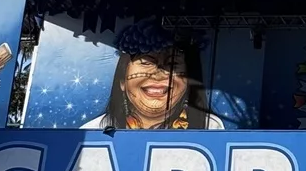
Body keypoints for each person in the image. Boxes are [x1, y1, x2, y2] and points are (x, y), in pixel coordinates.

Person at [82, 22, 224, 130]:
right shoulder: (94, 130)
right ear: (122, 81)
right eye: (146, 62)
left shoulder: (210, 127)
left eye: (172, 63)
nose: (158, 74)